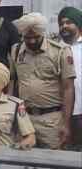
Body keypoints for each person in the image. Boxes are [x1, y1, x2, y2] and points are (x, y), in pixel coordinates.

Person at [11, 13, 76, 149]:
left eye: (36, 37)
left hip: (52, 121)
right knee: (22, 161)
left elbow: (68, 88)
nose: (32, 41)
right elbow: (12, 83)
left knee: (53, 164)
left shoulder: (60, 52)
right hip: (24, 119)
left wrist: (66, 124)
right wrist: (11, 117)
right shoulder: (16, 51)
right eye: (28, 38)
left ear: (42, 33)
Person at [58, 7, 82, 148]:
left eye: (68, 22)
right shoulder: (57, 48)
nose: (64, 26)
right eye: (61, 24)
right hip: (64, 113)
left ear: (78, 24)